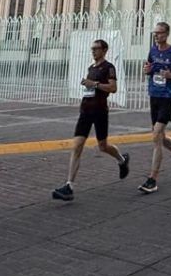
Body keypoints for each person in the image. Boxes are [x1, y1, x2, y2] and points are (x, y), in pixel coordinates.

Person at [53, 39, 130, 201]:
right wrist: (87, 85)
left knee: (103, 146)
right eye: (92, 49)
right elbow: (91, 86)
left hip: (100, 111)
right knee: (77, 146)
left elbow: (113, 88)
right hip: (86, 111)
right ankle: (69, 186)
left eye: (96, 49)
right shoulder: (91, 68)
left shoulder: (109, 68)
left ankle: (122, 160)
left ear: (104, 50)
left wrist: (94, 84)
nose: (93, 51)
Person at [139, 22, 171, 194]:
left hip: (168, 97)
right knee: (158, 134)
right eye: (155, 33)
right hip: (154, 95)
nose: (156, 36)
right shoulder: (153, 50)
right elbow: (149, 67)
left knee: (156, 136)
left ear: (167, 33)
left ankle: (152, 179)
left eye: (159, 33)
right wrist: (147, 70)